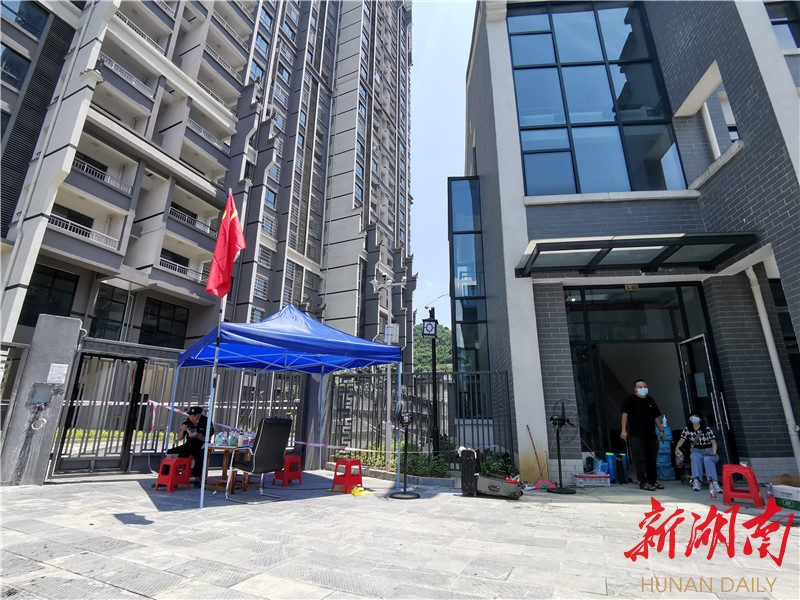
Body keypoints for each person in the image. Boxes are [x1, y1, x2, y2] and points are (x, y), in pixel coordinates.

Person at [620, 379, 666, 492]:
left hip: (651, 434)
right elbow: (625, 415)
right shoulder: (630, 400)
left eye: (644, 386)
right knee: (640, 458)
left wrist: (661, 430)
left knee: (652, 458)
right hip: (636, 434)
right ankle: (643, 482)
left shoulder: (650, 400)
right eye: (640, 387)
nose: (643, 389)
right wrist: (623, 430)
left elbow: (656, 416)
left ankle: (653, 481)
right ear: (635, 389)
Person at [674, 411, 722, 497]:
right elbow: (682, 440)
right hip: (696, 450)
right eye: (692, 416)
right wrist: (677, 447)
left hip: (709, 450)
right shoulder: (687, 429)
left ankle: (714, 482)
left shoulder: (706, 429)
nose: (694, 418)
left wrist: (714, 453)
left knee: (707, 459)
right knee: (694, 457)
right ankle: (696, 480)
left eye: (696, 416)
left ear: (700, 419)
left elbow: (714, 442)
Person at [166, 406, 214, 485]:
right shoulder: (187, 422)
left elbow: (207, 438)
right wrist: (182, 430)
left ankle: (197, 478)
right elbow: (179, 438)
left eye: (194, 415)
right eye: (190, 415)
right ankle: (166, 476)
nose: (192, 417)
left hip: (201, 445)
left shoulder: (206, 422)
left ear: (199, 415)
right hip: (189, 445)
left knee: (200, 454)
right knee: (170, 452)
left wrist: (197, 435)